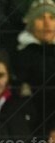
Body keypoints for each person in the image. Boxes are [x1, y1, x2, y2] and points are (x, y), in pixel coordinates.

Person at [13, 0, 55, 133]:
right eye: (40, 18)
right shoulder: (20, 56)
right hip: (35, 128)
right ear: (31, 24)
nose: (47, 24)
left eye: (52, 18)